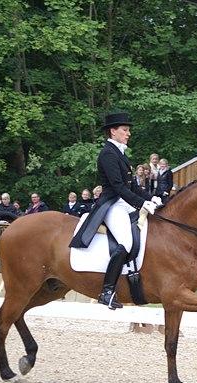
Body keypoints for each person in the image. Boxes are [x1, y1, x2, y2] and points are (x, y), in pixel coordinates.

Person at [70, 112, 161, 310]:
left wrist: (150, 198)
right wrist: (141, 204)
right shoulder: (108, 154)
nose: (128, 133)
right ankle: (107, 291)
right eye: (125, 130)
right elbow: (119, 187)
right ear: (113, 131)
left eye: (128, 130)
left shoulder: (120, 153)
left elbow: (133, 187)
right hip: (112, 204)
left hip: (124, 202)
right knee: (126, 243)